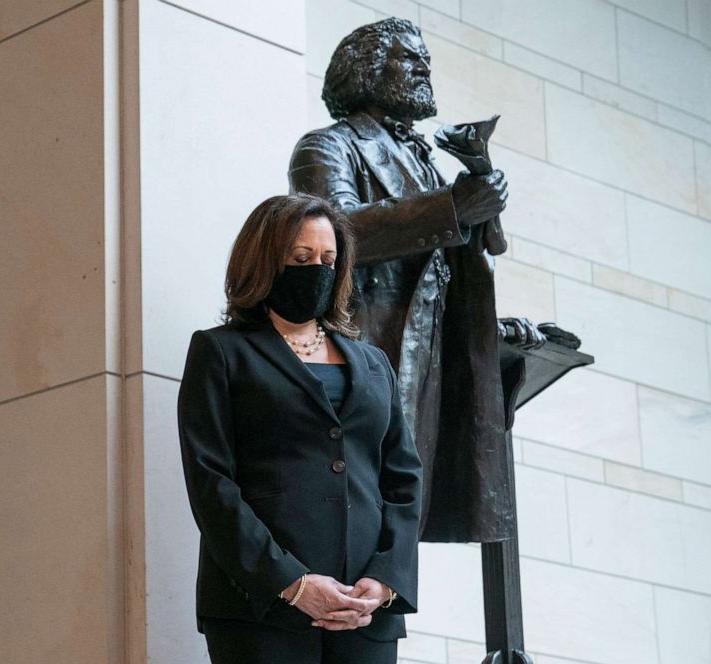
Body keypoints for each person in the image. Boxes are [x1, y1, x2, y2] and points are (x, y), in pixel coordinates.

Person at [288, 17, 540, 543]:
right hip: (368, 354)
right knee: (362, 521)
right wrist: (451, 207)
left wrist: (490, 324)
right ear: (366, 70)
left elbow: (438, 273)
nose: (424, 67)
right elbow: (338, 232)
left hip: (428, 365)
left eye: (424, 57)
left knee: (403, 522)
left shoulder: (423, 159)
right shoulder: (328, 147)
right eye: (409, 57)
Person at [177, 193, 423, 664]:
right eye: (301, 258)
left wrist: (387, 578)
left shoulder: (373, 363)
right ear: (266, 261)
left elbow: (403, 479)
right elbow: (211, 482)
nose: (317, 270)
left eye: (328, 260)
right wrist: (289, 582)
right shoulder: (221, 352)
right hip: (260, 608)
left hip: (365, 612)